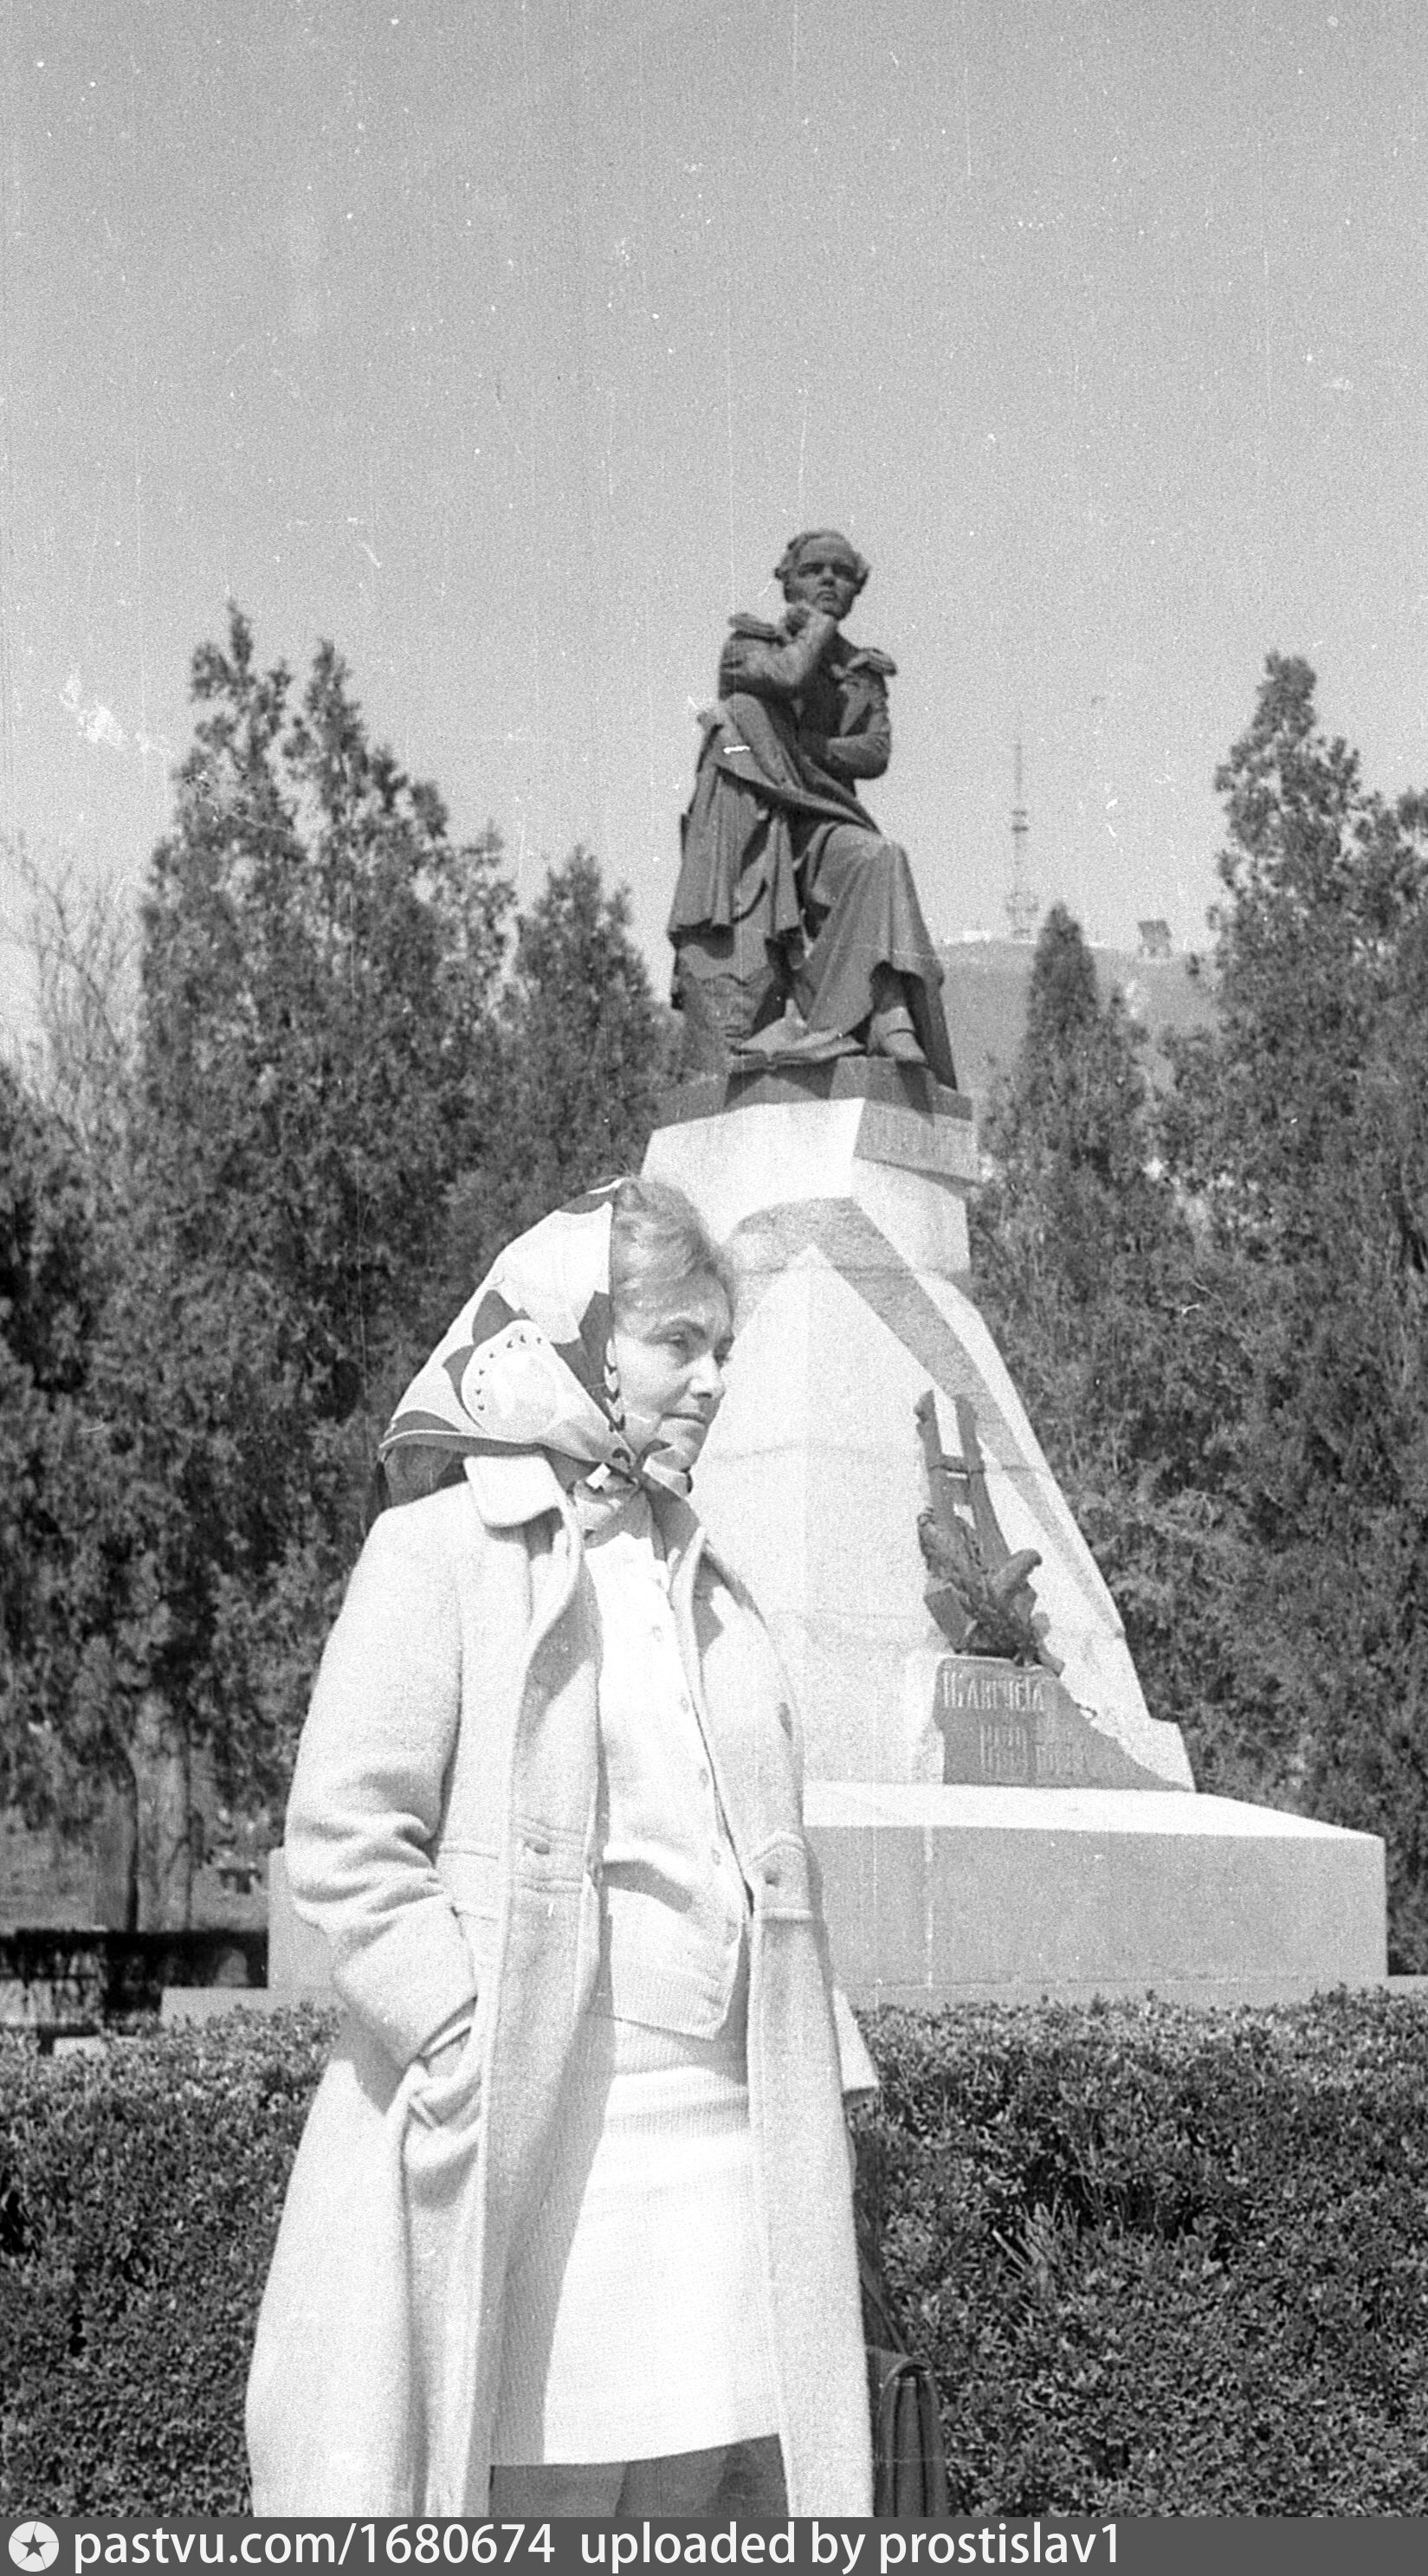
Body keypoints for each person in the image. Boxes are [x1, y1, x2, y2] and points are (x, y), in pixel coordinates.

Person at [246, 1178, 876, 2518]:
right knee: (531, 2488)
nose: (710, 1380)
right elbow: (345, 1832)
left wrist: (825, 2052)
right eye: (676, 1342)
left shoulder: (708, 1574)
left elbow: (762, 1853)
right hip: (542, 2135)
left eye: (721, 1347)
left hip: (719, 2142)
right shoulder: (437, 1549)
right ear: (580, 1336)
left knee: (706, 2499)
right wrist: (453, 2036)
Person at [669, 528, 959, 1086]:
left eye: (842, 573)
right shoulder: (747, 646)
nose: (828, 579)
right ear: (787, 583)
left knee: (881, 858)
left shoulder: (862, 672)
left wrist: (804, 750)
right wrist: (819, 629)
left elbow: (875, 751)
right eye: (814, 570)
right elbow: (787, 675)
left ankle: (886, 1010)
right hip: (754, 826)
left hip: (822, 820)